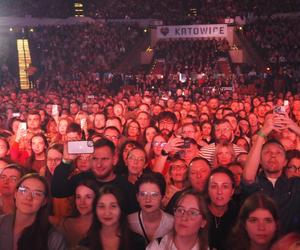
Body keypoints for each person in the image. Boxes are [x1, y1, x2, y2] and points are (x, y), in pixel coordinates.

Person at [242, 114, 300, 233]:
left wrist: (295, 127)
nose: (273, 155)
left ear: (285, 162)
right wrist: (261, 134)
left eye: (278, 152)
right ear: (260, 161)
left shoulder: (295, 185)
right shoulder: (256, 185)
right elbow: (248, 178)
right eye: (267, 152)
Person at [0, 173, 67, 250]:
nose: (28, 197)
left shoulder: (54, 238)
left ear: (44, 201)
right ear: (15, 194)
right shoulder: (1, 222)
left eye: (37, 194)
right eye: (24, 190)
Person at [80, 185, 145, 250]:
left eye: (113, 206)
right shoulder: (85, 244)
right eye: (101, 206)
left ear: (121, 209)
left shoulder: (137, 241)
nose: (107, 213)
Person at [128, 172, 174, 244]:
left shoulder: (173, 223)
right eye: (143, 194)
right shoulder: (128, 222)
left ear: (162, 197)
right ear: (137, 197)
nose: (148, 200)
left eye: (154, 195)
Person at [205, 167, 239, 250]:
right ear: (208, 190)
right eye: (214, 186)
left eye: (225, 186)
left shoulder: (239, 215)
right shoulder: (198, 213)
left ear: (232, 191)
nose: (219, 192)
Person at [58, 179, 98, 248]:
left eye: (88, 197)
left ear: (97, 199)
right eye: (78, 197)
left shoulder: (103, 226)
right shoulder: (65, 223)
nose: (82, 202)